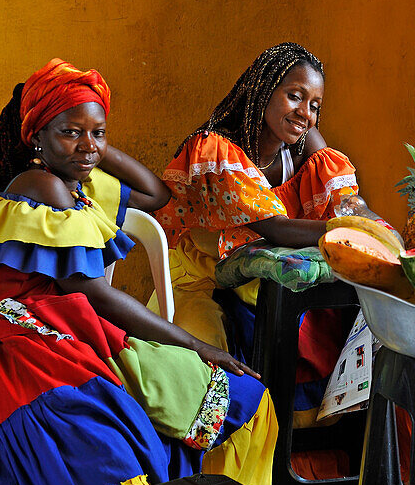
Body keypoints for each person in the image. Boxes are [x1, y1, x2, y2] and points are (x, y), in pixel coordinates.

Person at [0, 59, 277, 485]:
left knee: (237, 398)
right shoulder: (44, 186)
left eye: (98, 131)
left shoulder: (74, 181)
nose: (87, 145)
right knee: (126, 451)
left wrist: (89, 145)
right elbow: (93, 292)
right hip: (33, 344)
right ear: (36, 135)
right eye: (69, 131)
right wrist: (193, 343)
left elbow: (157, 195)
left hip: (74, 328)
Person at [153, 42, 393, 433]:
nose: (305, 114)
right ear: (264, 91)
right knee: (217, 392)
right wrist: (353, 230)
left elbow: (346, 201)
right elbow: (275, 228)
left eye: (315, 104)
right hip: (198, 286)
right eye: (294, 96)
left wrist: (374, 224)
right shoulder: (216, 150)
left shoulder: (302, 144)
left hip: (250, 287)